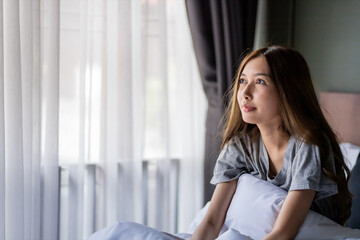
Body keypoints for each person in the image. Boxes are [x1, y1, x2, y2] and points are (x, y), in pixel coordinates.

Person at [191, 46, 352, 240]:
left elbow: (283, 233)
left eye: (260, 81)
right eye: (242, 81)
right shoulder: (239, 146)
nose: (245, 92)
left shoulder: (308, 145)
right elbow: (211, 223)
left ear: (287, 91)